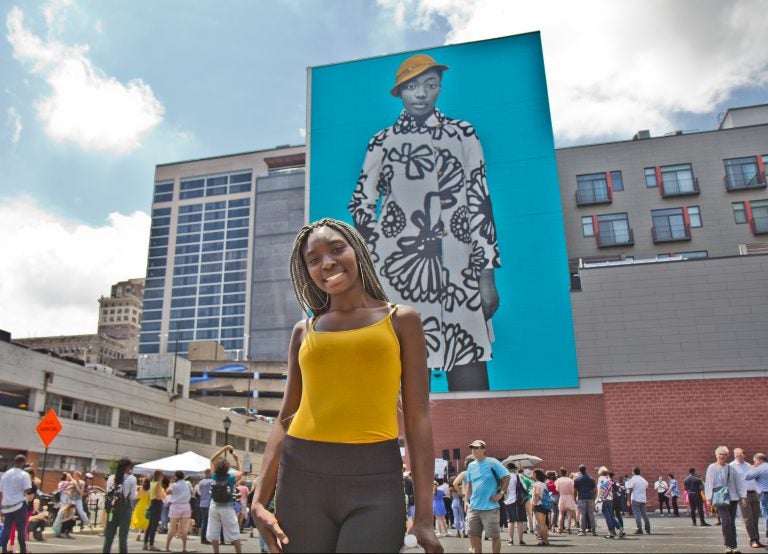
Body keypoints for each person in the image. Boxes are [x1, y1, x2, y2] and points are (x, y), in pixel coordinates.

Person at [250, 219, 442, 553]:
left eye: (337, 249)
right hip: (301, 478)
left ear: (357, 251)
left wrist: (424, 514)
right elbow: (285, 418)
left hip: (377, 479)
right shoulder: (303, 331)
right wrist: (258, 501)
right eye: (314, 259)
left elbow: (417, 419)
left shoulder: (402, 320)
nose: (327, 263)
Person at [349, 53, 501, 392]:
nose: (421, 94)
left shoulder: (463, 134)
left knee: (469, 367)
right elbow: (361, 203)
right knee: (404, 373)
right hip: (403, 270)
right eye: (413, 86)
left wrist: (486, 272)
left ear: (440, 89)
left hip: (460, 269)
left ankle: (476, 446)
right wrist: (377, 253)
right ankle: (405, 447)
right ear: (400, 92)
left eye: (431, 86)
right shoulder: (382, 141)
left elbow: (479, 196)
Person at [464, 439, 509, 554]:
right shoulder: (471, 466)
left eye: (476, 448)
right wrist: (465, 500)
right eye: (472, 448)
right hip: (474, 506)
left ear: (484, 449)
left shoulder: (492, 462)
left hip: (491, 507)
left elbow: (506, 476)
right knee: (473, 534)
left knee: (494, 536)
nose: (473, 450)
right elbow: (469, 484)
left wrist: (501, 493)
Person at [706, 446, 745, 554]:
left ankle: (734, 546)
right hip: (720, 497)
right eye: (720, 454)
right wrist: (708, 498)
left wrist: (743, 496)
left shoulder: (731, 468)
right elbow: (709, 482)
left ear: (728, 456)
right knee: (726, 521)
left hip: (733, 498)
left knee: (732, 522)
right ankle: (728, 546)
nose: (722, 456)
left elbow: (738, 483)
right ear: (716, 455)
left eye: (724, 454)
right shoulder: (712, 468)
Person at [207, 445, 243, 554]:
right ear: (227, 467)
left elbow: (212, 459)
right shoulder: (231, 477)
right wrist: (236, 458)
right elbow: (242, 471)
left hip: (214, 505)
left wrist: (224, 449)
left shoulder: (214, 476)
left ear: (217, 467)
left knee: (214, 532)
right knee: (234, 532)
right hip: (227, 507)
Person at [103, 457, 137, 554]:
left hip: (112, 509)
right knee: (123, 537)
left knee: (109, 536)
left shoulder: (111, 477)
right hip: (125, 509)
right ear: (127, 467)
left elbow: (107, 493)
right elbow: (132, 496)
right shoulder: (132, 479)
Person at [0, 454, 32, 554]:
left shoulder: (5, 474)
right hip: (19, 505)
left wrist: (1, 506)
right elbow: (28, 490)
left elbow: (1, 492)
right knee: (21, 528)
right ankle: (23, 550)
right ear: (23, 462)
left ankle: (4, 549)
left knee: (7, 528)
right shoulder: (24, 474)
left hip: (7, 505)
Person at [731, 448, 762, 548]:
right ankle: (753, 540)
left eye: (741, 453)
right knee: (748, 519)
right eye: (737, 454)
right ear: (734, 455)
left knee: (755, 518)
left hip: (754, 494)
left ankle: (757, 539)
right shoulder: (731, 467)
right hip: (743, 496)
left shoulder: (748, 465)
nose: (739, 455)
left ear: (744, 455)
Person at [164, 470, 192, 552]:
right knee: (184, 528)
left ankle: (167, 547)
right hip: (186, 505)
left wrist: (171, 482)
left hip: (175, 506)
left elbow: (167, 492)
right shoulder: (188, 484)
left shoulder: (174, 485)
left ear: (176, 477)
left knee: (172, 528)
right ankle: (184, 547)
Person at [745, 453, 768, 548]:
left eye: (754, 461)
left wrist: (752, 467)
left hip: (765, 494)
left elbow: (747, 477)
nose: (754, 463)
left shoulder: (760, 468)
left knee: (767, 517)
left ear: (758, 460)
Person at [597, 466, 625, 539]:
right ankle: (620, 528)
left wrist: (597, 498)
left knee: (607, 517)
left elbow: (600, 489)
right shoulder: (609, 479)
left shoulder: (600, 479)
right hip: (610, 498)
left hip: (604, 499)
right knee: (611, 516)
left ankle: (611, 532)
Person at [502, 463, 526, 546]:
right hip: (517, 501)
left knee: (510, 521)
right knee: (519, 521)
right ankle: (521, 540)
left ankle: (510, 540)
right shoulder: (517, 477)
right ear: (514, 469)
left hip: (507, 500)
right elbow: (525, 487)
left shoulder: (504, 477)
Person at [625, 467, 651, 535]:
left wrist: (628, 500)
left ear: (633, 472)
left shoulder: (633, 479)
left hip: (635, 498)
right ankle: (648, 528)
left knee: (637, 515)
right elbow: (646, 487)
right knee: (644, 514)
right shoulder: (643, 480)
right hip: (643, 499)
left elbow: (629, 490)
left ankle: (639, 529)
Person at [143, 469, 165, 551]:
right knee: (154, 525)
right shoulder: (158, 484)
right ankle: (151, 544)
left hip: (152, 503)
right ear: (159, 476)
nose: (163, 477)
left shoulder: (151, 483)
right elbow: (159, 496)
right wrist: (164, 495)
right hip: (157, 503)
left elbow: (150, 494)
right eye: (162, 475)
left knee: (149, 525)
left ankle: (145, 543)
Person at [573, 465, 597, 537]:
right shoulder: (591, 478)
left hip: (581, 497)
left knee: (582, 514)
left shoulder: (577, 479)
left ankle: (582, 531)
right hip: (590, 497)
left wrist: (574, 499)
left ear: (579, 470)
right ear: (585, 469)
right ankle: (593, 531)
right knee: (591, 514)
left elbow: (575, 490)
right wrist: (594, 498)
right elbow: (594, 490)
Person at [555, 467, 576, 534]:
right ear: (566, 473)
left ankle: (560, 528)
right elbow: (573, 490)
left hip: (562, 497)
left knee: (561, 513)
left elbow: (557, 489)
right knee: (569, 514)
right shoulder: (570, 480)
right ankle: (569, 528)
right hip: (569, 496)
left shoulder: (558, 480)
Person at [130, 477, 150, 543]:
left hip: (139, 506)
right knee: (145, 521)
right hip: (146, 506)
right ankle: (145, 536)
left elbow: (137, 497)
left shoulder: (141, 489)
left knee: (139, 520)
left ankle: (139, 533)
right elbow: (150, 500)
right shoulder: (150, 490)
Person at [197, 468, 213, 545]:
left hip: (201, 502)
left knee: (203, 520)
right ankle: (204, 538)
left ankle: (203, 537)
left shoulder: (200, 482)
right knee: (206, 521)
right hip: (208, 502)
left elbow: (199, 492)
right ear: (209, 473)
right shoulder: (211, 481)